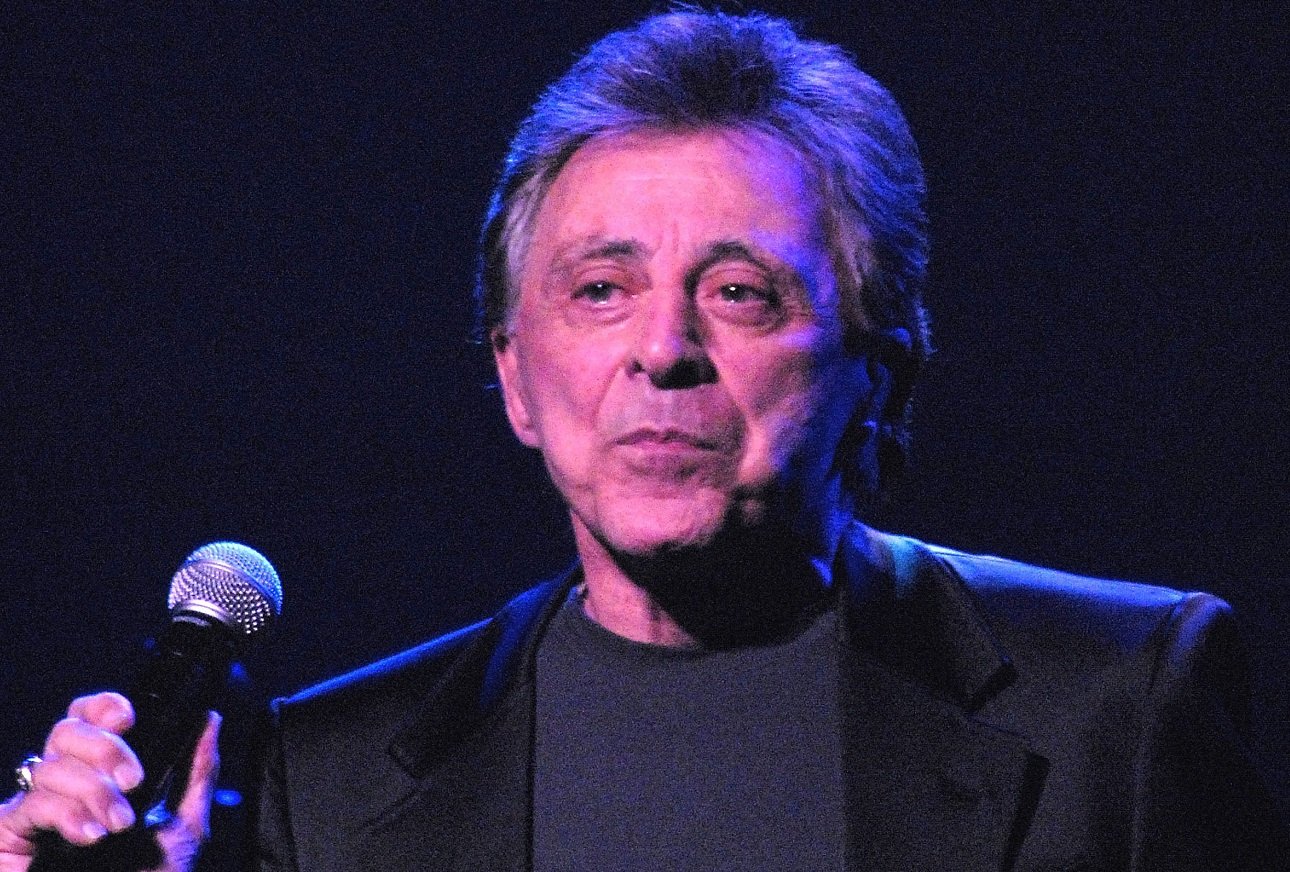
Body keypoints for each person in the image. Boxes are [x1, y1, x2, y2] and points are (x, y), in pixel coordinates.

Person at [3, 9, 1285, 871]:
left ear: (879, 364)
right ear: (515, 373)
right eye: (599, 288)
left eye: (741, 292)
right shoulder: (324, 781)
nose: (660, 348)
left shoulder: (1119, 698)